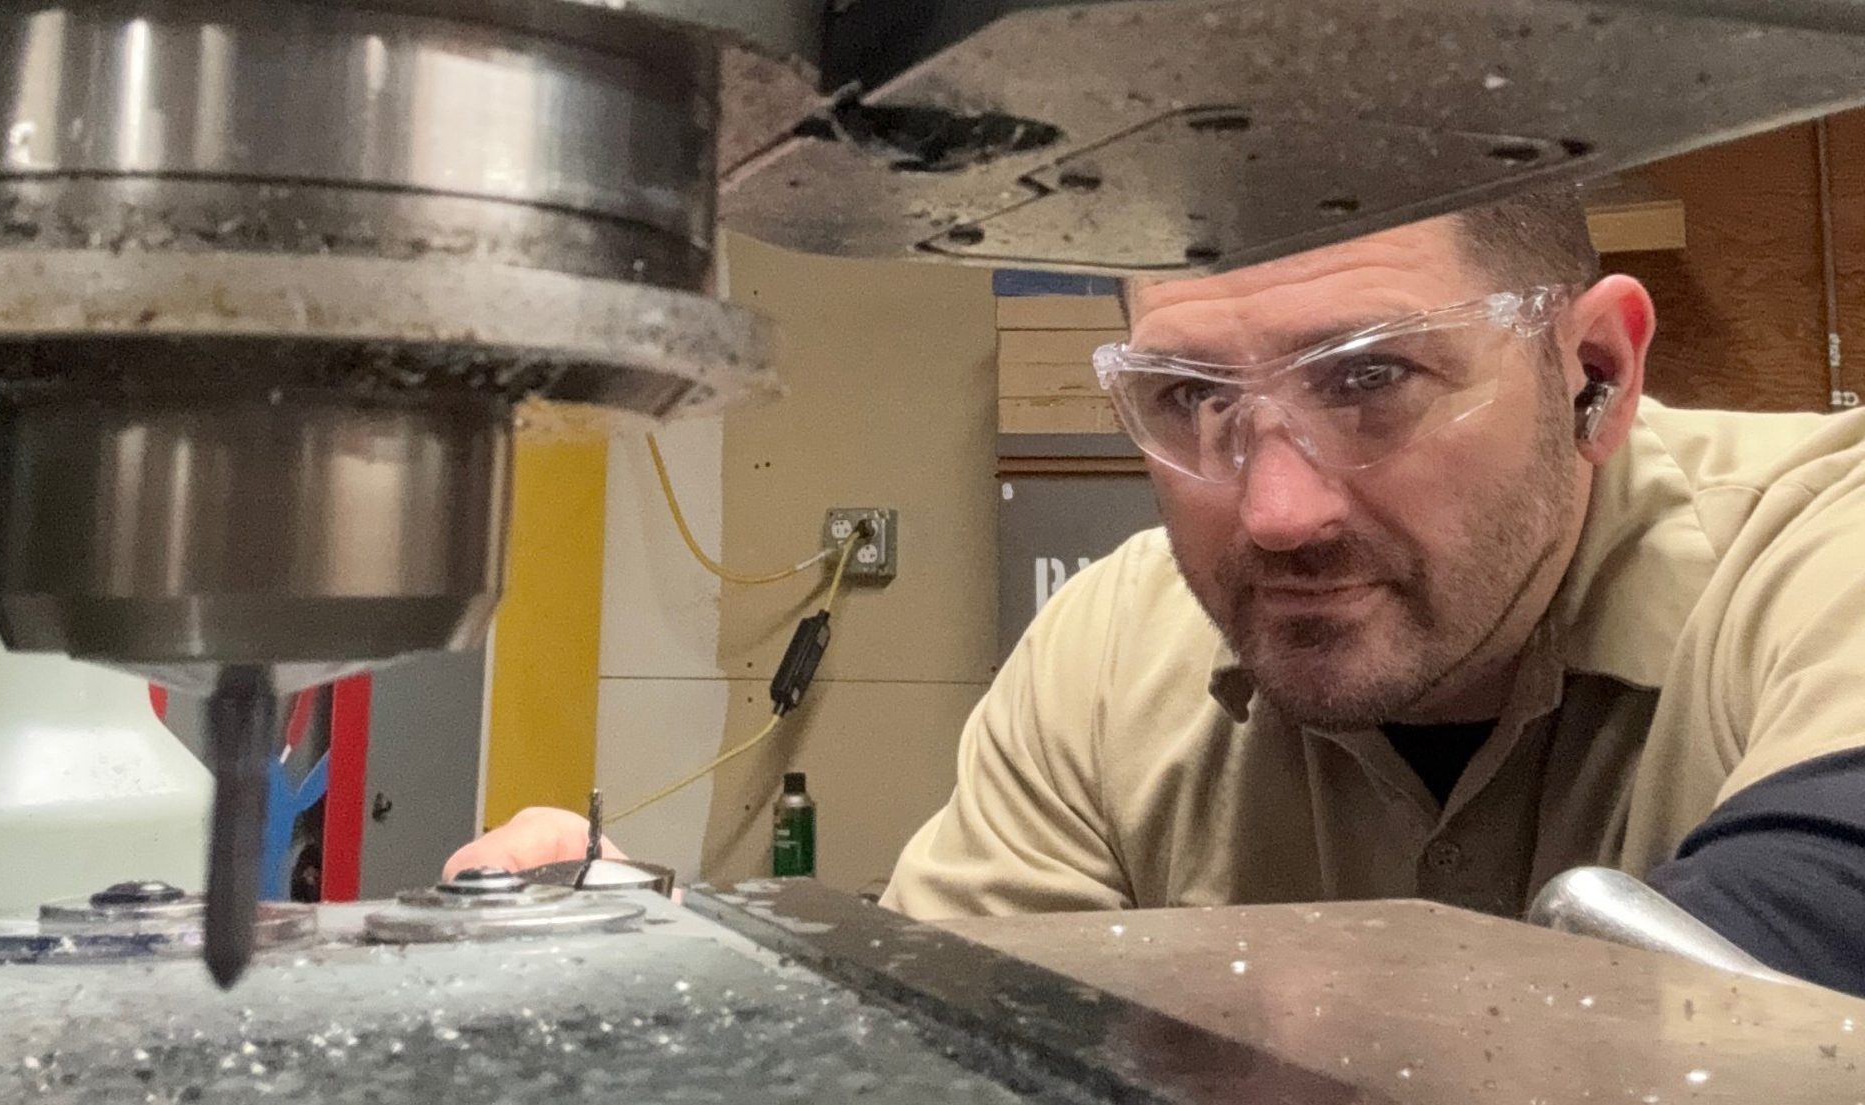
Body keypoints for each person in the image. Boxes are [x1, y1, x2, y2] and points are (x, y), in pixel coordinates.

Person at [447, 189, 1865, 995]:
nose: (1275, 509)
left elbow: (1791, 961)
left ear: (1593, 374)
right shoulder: (1108, 649)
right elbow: (967, 1047)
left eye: (1373, 379)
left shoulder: (1818, 539)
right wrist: (731, 980)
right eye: (1189, 398)